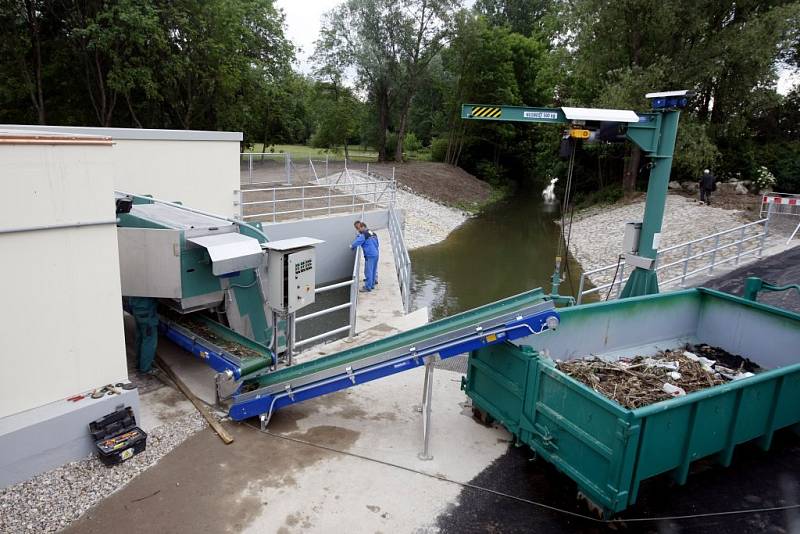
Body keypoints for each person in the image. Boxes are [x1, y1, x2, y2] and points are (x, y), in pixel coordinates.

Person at [350, 220, 379, 292]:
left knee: (369, 271)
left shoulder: (364, 235)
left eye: (359, 228)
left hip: (370, 255)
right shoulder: (372, 233)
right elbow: (377, 244)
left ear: (363, 227)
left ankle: (368, 287)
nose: (358, 230)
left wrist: (352, 246)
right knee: (373, 270)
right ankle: (372, 284)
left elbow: (357, 242)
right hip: (376, 253)